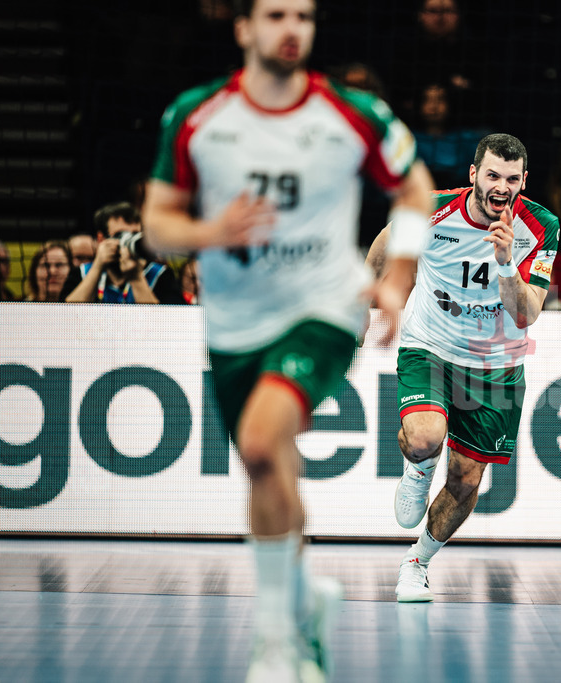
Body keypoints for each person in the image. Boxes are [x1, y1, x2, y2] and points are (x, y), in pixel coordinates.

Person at [140, 0, 434, 679]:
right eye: (275, 14)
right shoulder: (196, 116)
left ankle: (274, 642)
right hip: (236, 323)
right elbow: (157, 223)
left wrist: (397, 280)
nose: (291, 27)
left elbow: (415, 191)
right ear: (244, 28)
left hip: (324, 310)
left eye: (303, 14)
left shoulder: (353, 113)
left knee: (258, 440)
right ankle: (306, 601)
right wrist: (210, 233)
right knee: (268, 465)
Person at [366, 133, 558, 603]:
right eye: (492, 175)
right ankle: (417, 470)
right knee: (425, 438)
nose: (501, 187)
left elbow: (527, 314)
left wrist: (506, 262)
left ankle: (417, 563)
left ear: (523, 182)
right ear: (473, 174)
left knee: (467, 478)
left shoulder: (541, 226)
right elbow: (383, 246)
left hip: (497, 366)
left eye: (512, 179)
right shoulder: (431, 211)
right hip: (431, 346)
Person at [60, 202, 184, 304]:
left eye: (135, 235)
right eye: (121, 235)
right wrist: (97, 267)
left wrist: (136, 278)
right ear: (101, 239)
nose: (129, 241)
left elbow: (167, 325)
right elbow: (67, 317)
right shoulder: (82, 273)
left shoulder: (160, 274)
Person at [412, 83, 485, 191]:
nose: (434, 106)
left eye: (440, 99)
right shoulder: (411, 139)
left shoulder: (466, 139)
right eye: (427, 100)